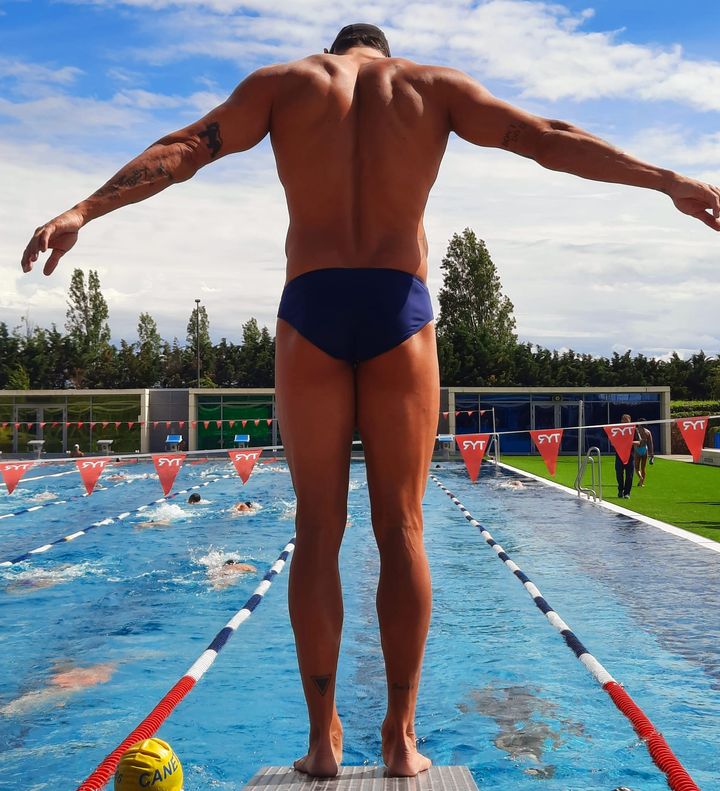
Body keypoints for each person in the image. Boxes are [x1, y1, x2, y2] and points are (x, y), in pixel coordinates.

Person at [19, 23, 720, 777]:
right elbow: (541, 136)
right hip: (398, 307)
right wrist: (665, 179)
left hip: (311, 304)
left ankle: (323, 742)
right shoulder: (429, 88)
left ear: (335, 50)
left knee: (319, 529)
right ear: (384, 53)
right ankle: (400, 735)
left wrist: (83, 211)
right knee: (405, 526)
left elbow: (186, 147)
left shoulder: (283, 85)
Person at [614, 414, 640, 500]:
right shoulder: (617, 430)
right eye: (623, 420)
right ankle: (620, 490)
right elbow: (612, 441)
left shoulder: (634, 430)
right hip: (619, 455)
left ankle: (627, 493)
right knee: (619, 473)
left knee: (629, 475)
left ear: (630, 421)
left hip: (630, 455)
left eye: (626, 420)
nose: (624, 422)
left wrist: (630, 442)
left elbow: (639, 442)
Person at [634, 419, 655, 487]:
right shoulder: (648, 432)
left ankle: (641, 478)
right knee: (643, 468)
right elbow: (650, 443)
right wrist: (652, 453)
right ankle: (642, 483)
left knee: (637, 467)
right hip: (644, 449)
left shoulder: (635, 430)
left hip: (637, 449)